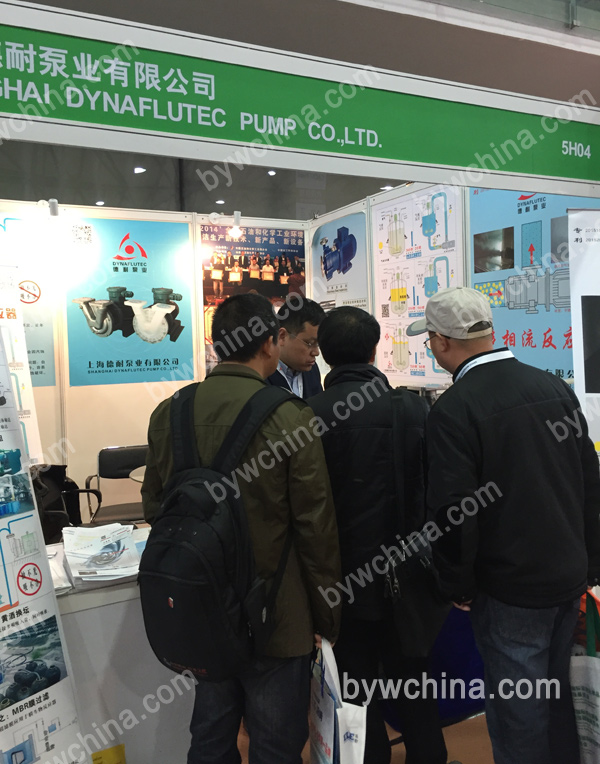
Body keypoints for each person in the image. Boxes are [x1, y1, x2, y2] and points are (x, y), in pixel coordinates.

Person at [142, 293, 342, 764]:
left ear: (215, 344)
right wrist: (327, 616)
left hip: (201, 603)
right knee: (275, 740)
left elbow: (155, 506)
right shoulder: (290, 416)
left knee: (210, 733)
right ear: (272, 342)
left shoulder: (170, 411)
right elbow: (315, 527)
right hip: (278, 613)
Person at [407, 286, 600, 764]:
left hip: (509, 589)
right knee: (557, 701)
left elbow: (455, 511)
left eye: (430, 341)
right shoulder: (553, 388)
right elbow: (589, 481)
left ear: (441, 341)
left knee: (519, 715)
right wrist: (591, 564)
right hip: (567, 576)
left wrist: (457, 584)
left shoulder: (454, 409)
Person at [308, 307, 454, 764]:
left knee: (355, 686)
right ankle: (428, 756)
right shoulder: (411, 407)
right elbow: (435, 490)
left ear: (323, 354)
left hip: (341, 580)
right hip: (406, 575)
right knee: (412, 677)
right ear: (374, 350)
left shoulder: (308, 415)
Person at [266, 297, 324, 398]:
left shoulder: (312, 370)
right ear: (282, 336)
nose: (316, 352)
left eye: (318, 344)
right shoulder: (263, 373)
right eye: (310, 343)